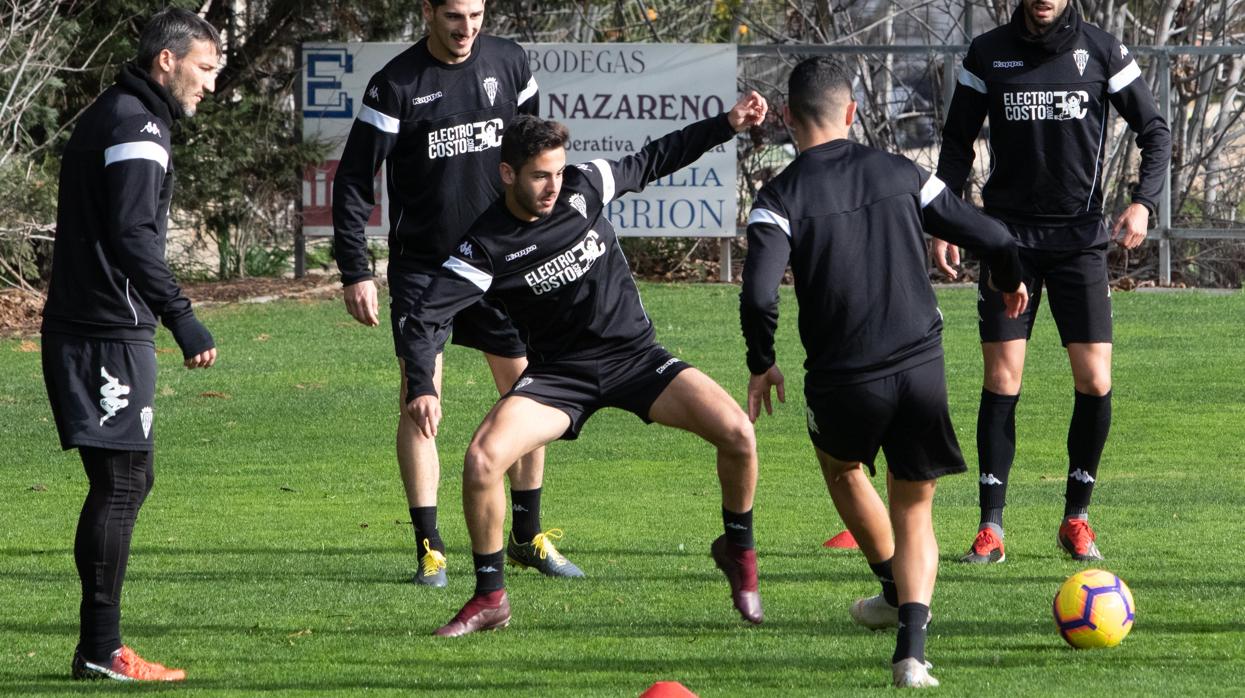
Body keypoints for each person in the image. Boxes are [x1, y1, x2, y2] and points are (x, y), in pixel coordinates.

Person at [402, 94, 769, 637]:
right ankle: (491, 597)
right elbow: (424, 317)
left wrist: (728, 124)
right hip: (559, 378)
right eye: (537, 176)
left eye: (556, 171)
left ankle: (738, 551)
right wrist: (420, 385)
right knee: (482, 460)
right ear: (507, 173)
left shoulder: (585, 184)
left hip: (636, 358)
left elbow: (656, 157)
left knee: (738, 431)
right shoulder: (485, 246)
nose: (552, 185)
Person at [740, 57, 1028, 688]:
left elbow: (760, 295)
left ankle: (891, 591)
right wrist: (1008, 284)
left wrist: (762, 362)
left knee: (843, 470)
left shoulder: (778, 196)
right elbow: (995, 237)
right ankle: (911, 653)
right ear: (850, 113)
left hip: (844, 380)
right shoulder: (901, 172)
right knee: (915, 508)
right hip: (920, 368)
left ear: (788, 118)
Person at [331, 0, 580, 586]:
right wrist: (354, 270)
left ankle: (527, 535)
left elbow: (535, 156)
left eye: (475, 15)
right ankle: (430, 547)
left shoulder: (510, 63)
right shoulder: (396, 84)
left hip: (498, 261)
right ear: (427, 12)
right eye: (453, 16)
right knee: (421, 401)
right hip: (424, 269)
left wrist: (541, 242)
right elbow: (351, 179)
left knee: (529, 392)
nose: (466, 28)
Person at [936, 0, 1171, 564]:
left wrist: (1143, 203)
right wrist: (942, 218)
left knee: (1094, 380)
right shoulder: (987, 52)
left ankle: (1076, 518)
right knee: (1003, 377)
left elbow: (1155, 130)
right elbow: (956, 140)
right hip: (1004, 240)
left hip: (1079, 242)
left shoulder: (1103, 50)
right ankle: (991, 527)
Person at [39, 8, 221, 682]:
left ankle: (99, 647)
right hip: (102, 331)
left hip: (102, 326)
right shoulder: (135, 125)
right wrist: (183, 318)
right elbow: (133, 237)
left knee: (128, 478)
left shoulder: (123, 116)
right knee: (120, 481)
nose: (209, 83)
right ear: (166, 61)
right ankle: (100, 650)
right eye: (204, 68)